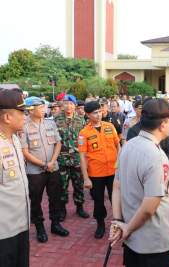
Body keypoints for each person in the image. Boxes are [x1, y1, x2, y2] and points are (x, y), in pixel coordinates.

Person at [109, 99, 169, 267]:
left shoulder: (128, 146)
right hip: (152, 242)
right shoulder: (157, 156)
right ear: (163, 124)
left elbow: (117, 185)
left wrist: (118, 221)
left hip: (131, 237)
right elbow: (150, 206)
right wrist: (127, 228)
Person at [21, 97, 69, 243]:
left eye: (43, 107)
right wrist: (43, 164)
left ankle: (55, 224)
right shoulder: (24, 127)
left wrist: (52, 162)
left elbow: (58, 144)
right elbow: (25, 152)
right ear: (31, 110)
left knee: (55, 196)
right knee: (36, 200)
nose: (44, 110)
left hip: (53, 167)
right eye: (40, 108)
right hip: (35, 171)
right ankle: (40, 227)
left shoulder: (50, 122)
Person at [78, 101, 120, 238]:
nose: (99, 114)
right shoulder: (84, 133)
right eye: (95, 113)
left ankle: (119, 222)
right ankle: (100, 224)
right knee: (98, 200)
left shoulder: (110, 126)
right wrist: (86, 178)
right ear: (88, 115)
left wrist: (119, 166)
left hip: (113, 171)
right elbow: (82, 157)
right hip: (96, 173)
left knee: (116, 199)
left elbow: (118, 146)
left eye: (100, 111)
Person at [0, 89, 31, 267]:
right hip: (3, 234)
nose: (25, 117)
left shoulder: (14, 139)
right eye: (22, 112)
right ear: (7, 118)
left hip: (21, 225)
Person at [54, 94, 90, 221]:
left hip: (77, 159)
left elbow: (86, 140)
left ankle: (79, 207)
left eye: (71, 103)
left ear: (75, 105)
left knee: (78, 185)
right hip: (62, 159)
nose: (68, 106)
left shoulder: (82, 120)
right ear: (62, 105)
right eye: (65, 103)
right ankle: (62, 210)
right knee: (62, 186)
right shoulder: (55, 119)